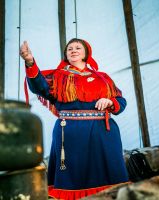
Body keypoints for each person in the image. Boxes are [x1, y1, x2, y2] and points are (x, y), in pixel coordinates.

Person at [20, 38, 129, 199]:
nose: (73, 50)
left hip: (103, 134)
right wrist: (30, 62)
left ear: (86, 53)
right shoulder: (58, 76)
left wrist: (110, 101)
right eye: (69, 48)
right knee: (73, 180)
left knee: (110, 179)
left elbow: (121, 101)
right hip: (70, 134)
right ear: (66, 55)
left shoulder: (103, 78)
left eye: (78, 47)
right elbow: (39, 86)